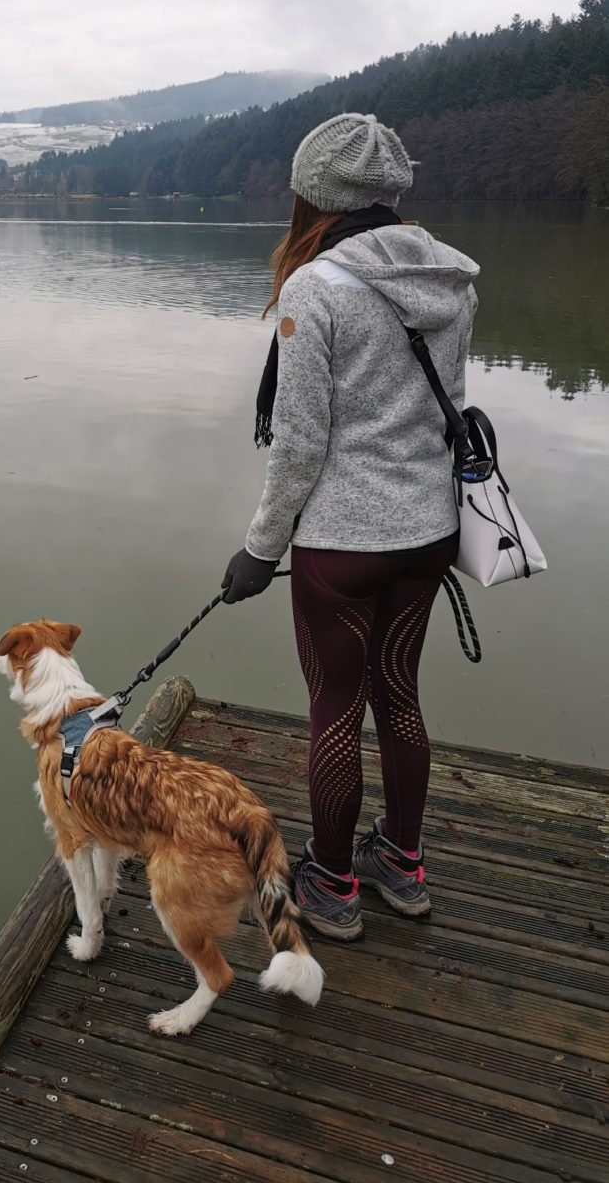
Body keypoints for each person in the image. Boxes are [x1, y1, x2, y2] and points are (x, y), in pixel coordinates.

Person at [220, 113, 478, 941]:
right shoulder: (451, 279)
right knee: (399, 694)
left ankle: (331, 885)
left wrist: (260, 550)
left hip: (343, 546)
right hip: (429, 530)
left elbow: (299, 444)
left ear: (314, 196)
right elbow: (449, 404)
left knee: (336, 706)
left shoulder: (316, 289)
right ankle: (401, 867)